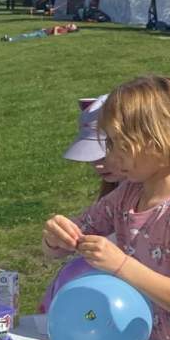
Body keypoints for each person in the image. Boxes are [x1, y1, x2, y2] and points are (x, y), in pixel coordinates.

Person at [41, 75, 170, 340]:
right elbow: (64, 245)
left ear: (158, 141)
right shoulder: (127, 194)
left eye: (118, 144)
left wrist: (120, 265)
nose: (110, 157)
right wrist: (57, 237)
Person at [37, 95, 124, 314]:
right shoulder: (114, 198)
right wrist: (55, 237)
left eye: (105, 151)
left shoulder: (152, 200)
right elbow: (61, 245)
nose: (98, 163)